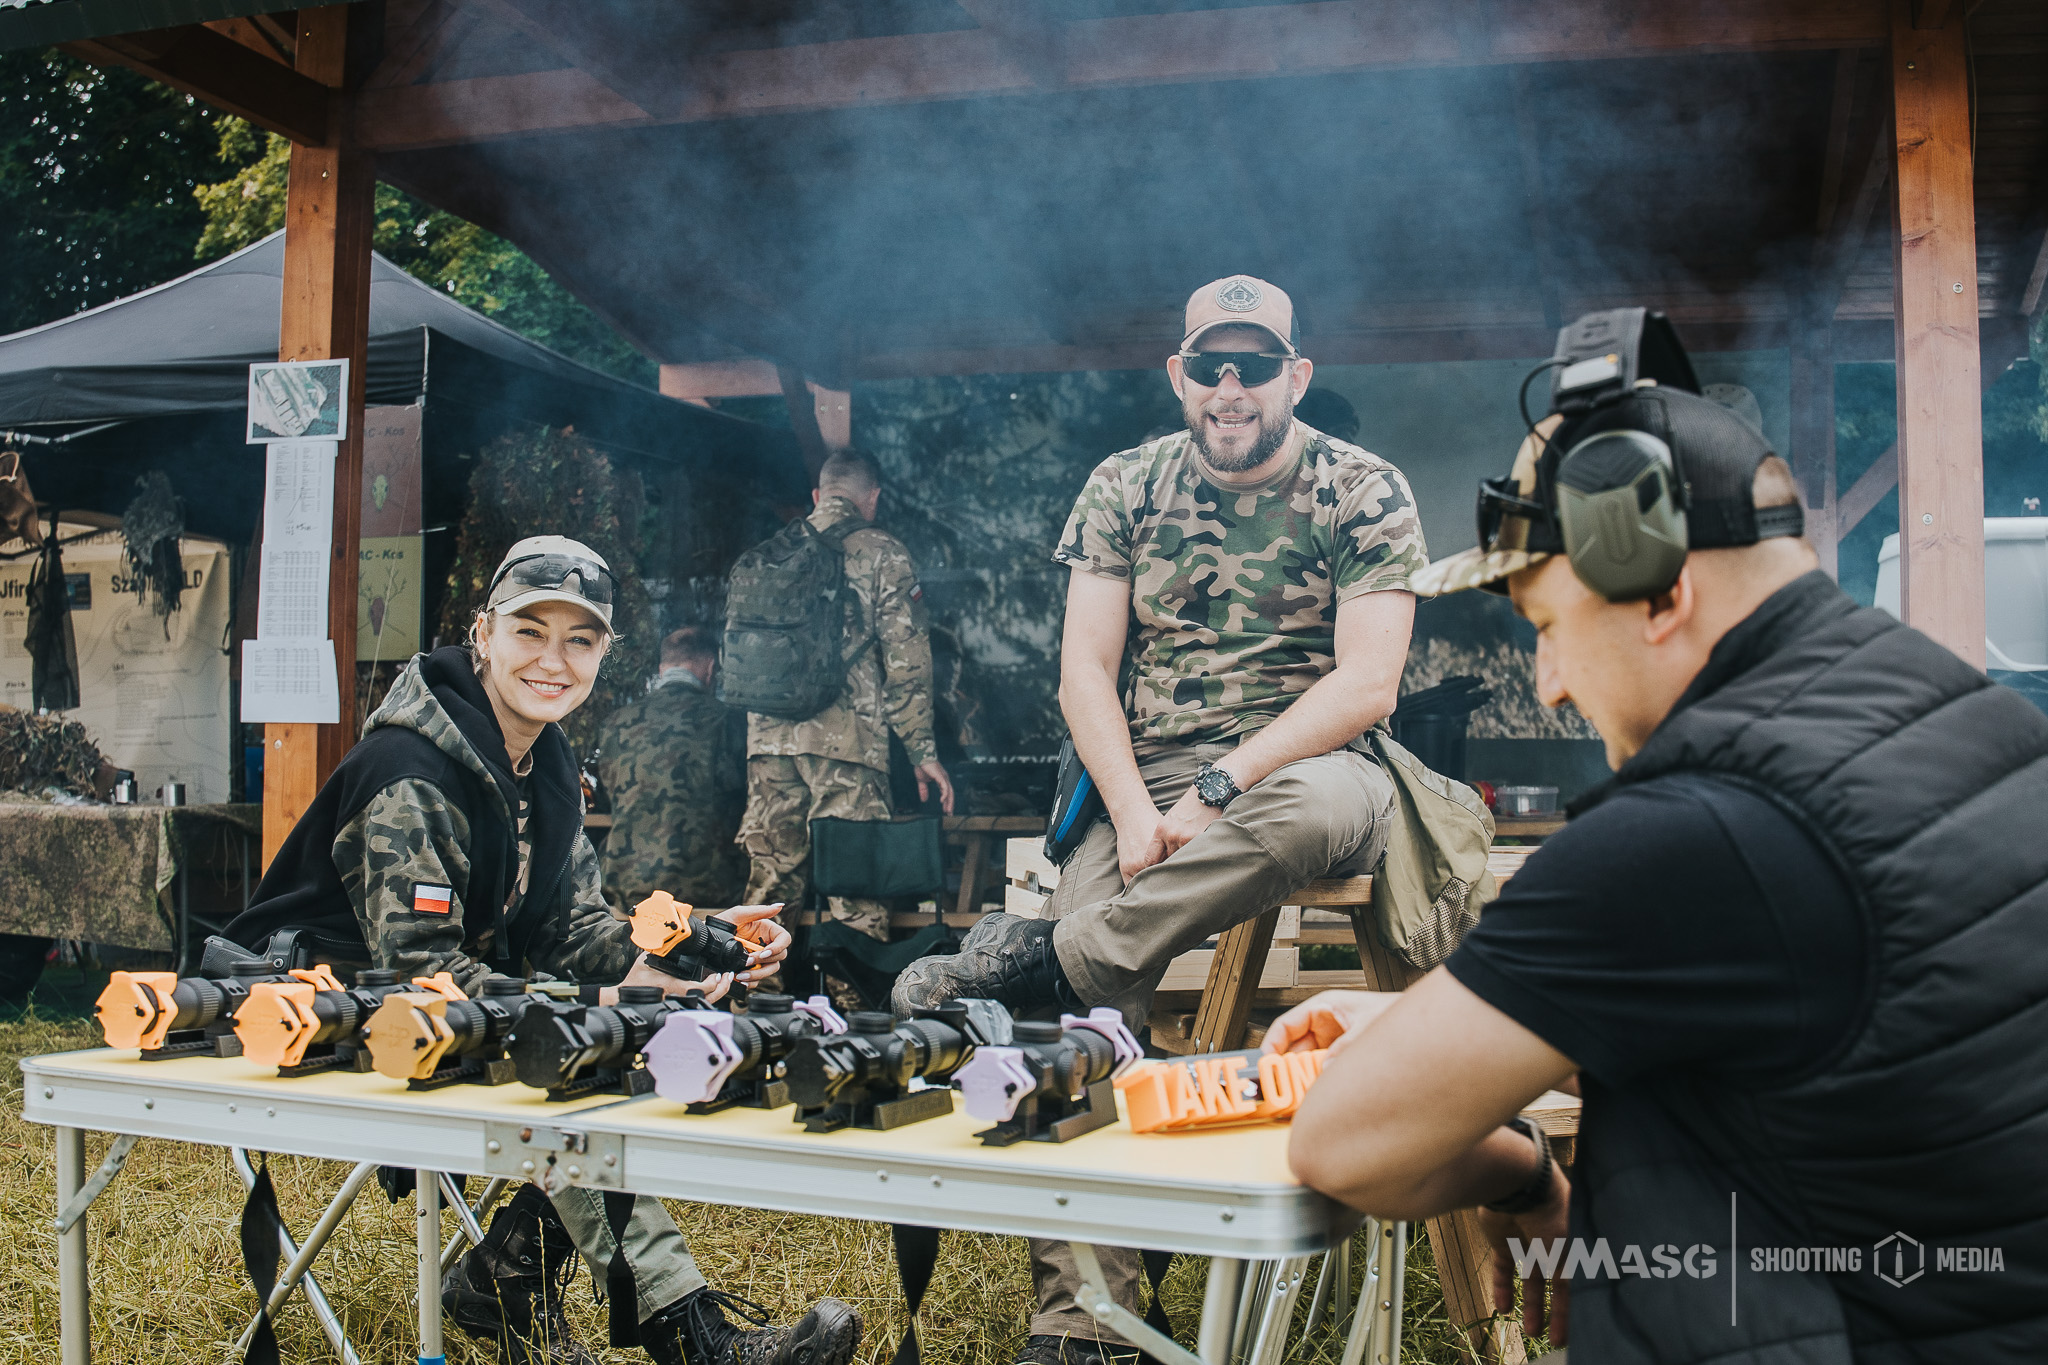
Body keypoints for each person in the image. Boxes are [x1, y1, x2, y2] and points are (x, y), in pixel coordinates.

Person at [1273, 371, 2048, 1360]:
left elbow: (1344, 1142)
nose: (1547, 688)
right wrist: (1431, 1019)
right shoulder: (1968, 720)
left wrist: (1526, 1181)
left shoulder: (1687, 832)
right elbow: (1806, 1021)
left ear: (1663, 592)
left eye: (1547, 629)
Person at [893, 275, 1427, 1364]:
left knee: (1298, 812)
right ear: (1178, 374)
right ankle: (1085, 1325)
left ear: (1297, 375)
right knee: (1086, 1015)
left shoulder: (1363, 486)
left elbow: (1366, 684)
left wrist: (1212, 791)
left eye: (1255, 366)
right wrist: (1135, 807)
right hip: (1139, 775)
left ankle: (1047, 955)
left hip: (1308, 766)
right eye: (1208, 366)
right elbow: (1083, 670)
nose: (1230, 389)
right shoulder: (1123, 482)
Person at [226, 536, 862, 1365]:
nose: (553, 660)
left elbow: (578, 930)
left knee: (629, 1036)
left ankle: (501, 1276)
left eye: (581, 639)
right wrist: (609, 1003)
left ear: (606, 654)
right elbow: (426, 971)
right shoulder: (408, 768)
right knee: (580, 1048)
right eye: (531, 631)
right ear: (482, 633)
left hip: (428, 1012)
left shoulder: (543, 766)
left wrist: (703, 941)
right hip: (308, 1014)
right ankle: (690, 1336)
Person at [740, 448, 954, 947]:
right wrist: (921, 752)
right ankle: (850, 1016)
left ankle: (750, 1012)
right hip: (846, 745)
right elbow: (908, 662)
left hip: (767, 743)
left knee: (768, 887)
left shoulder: (770, 552)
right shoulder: (882, 552)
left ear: (817, 496)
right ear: (872, 500)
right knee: (856, 888)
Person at [599, 625, 747, 911]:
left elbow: (609, 797)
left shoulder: (616, 723)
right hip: (711, 890)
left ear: (662, 668)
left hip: (628, 890)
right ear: (711, 667)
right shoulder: (729, 722)